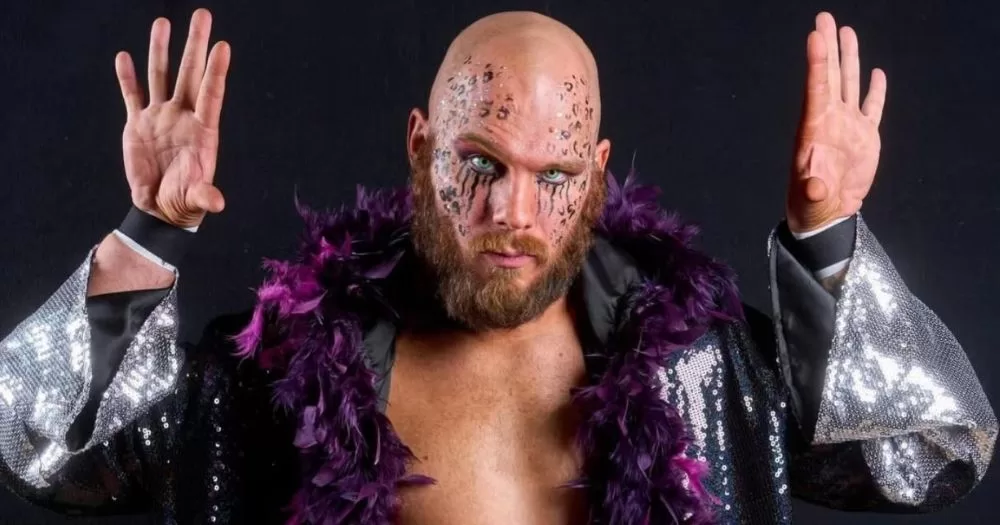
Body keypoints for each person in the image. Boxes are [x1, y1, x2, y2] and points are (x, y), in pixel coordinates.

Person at [0, 7, 994, 525]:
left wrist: (824, 235)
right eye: (477, 163)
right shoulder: (284, 376)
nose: (511, 212)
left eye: (552, 175)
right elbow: (59, 462)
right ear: (420, 145)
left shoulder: (701, 367)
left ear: (598, 173)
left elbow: (909, 460)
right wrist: (148, 232)